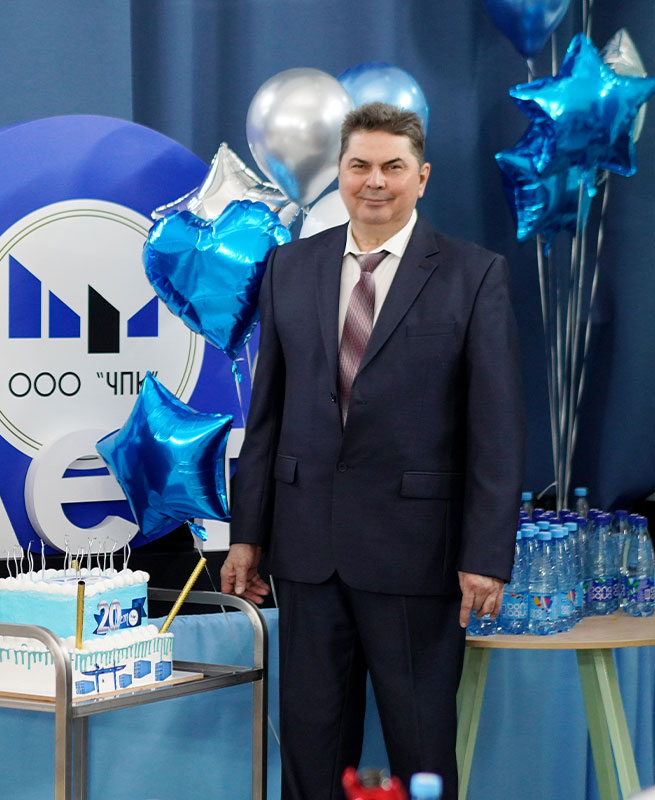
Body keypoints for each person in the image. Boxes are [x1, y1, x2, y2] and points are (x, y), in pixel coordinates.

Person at [222, 103, 525, 800]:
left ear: (422, 177)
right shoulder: (289, 267)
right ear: (339, 172)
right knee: (310, 750)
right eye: (359, 165)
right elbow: (265, 415)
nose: (375, 181)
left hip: (416, 555)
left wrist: (485, 555)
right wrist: (247, 534)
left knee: (420, 750)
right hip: (306, 552)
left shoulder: (473, 274)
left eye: (392, 166)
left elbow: (497, 429)